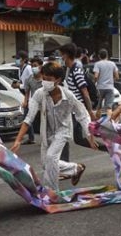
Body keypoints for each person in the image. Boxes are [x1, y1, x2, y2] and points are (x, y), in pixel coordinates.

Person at [10, 61, 96, 189]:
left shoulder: (68, 95)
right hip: (47, 132)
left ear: (58, 80)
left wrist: (90, 135)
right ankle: (76, 169)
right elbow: (29, 118)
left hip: (63, 131)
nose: (45, 82)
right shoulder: (40, 93)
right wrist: (18, 140)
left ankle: (51, 192)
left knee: (51, 158)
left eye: (48, 79)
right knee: (46, 164)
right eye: (44, 78)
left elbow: (82, 114)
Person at [58, 43, 95, 118]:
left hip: (77, 113)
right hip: (71, 111)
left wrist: (90, 112)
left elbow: (85, 93)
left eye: (62, 55)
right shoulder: (68, 70)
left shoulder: (76, 72)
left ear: (66, 55)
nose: (61, 58)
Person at [21, 56, 44, 145]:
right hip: (34, 102)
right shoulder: (29, 79)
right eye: (32, 66)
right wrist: (25, 101)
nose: (33, 68)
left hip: (44, 103)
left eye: (35, 65)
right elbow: (27, 92)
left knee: (44, 122)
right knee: (26, 118)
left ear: (40, 66)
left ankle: (45, 139)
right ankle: (31, 138)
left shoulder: (46, 77)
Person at [93, 49, 119, 117]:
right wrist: (112, 80)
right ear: (107, 55)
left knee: (99, 107)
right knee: (109, 107)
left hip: (100, 87)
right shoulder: (112, 64)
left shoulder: (97, 64)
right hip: (110, 87)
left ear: (99, 56)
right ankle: (109, 123)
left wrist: (94, 82)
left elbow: (96, 76)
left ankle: (97, 122)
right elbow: (117, 77)